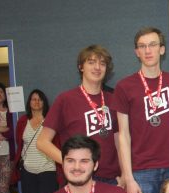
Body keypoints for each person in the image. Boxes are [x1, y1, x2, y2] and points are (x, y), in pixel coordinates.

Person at [114, 27, 169, 193]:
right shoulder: (124, 87)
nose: (148, 50)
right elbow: (123, 135)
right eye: (142, 46)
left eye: (153, 45)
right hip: (142, 171)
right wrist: (128, 178)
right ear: (136, 52)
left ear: (162, 49)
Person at [38, 45, 121, 185]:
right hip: (79, 178)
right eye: (91, 62)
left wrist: (124, 174)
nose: (97, 67)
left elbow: (119, 141)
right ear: (81, 67)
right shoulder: (65, 100)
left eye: (102, 63)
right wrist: (71, 164)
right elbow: (42, 142)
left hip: (111, 179)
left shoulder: (113, 100)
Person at [16, 89, 58, 193]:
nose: (36, 102)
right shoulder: (22, 121)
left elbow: (57, 142)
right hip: (28, 169)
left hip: (48, 168)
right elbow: (20, 144)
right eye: (33, 99)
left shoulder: (50, 120)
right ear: (29, 102)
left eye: (39, 99)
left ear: (44, 102)